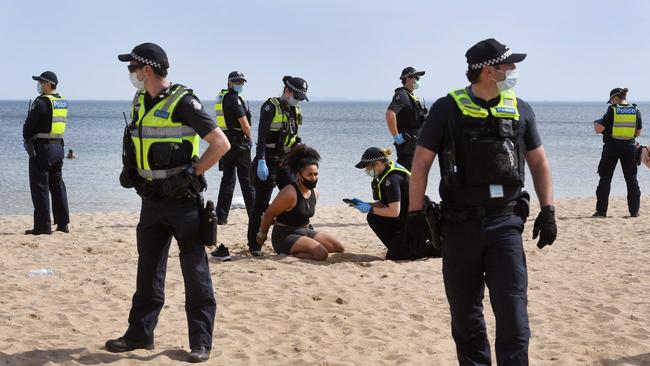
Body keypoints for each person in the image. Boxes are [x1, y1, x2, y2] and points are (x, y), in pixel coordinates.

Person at [408, 38, 556, 365]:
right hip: (459, 227)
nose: (514, 70)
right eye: (508, 65)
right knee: (466, 316)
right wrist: (415, 214)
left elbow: (539, 162)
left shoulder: (521, 109)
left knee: (513, 314)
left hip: (505, 224)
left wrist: (548, 210)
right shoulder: (447, 109)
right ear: (489, 71)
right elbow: (421, 162)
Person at [107, 42, 230, 363]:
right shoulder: (139, 102)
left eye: (132, 67)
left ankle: (200, 343)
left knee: (195, 273)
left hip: (183, 203)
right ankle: (139, 335)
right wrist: (131, 170)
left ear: (146, 69)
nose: (130, 73)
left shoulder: (184, 101)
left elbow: (221, 143)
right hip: (151, 201)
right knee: (147, 270)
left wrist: (193, 172)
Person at [246, 75, 309, 256]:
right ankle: (254, 243)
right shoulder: (270, 107)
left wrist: (300, 159)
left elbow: (293, 138)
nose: (298, 100)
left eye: (300, 98)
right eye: (296, 96)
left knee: (297, 194)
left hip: (285, 161)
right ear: (287, 91)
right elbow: (262, 136)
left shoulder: (295, 111)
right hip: (267, 161)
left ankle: (295, 231)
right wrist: (261, 161)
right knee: (260, 203)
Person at [256, 145, 344, 260]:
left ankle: (305, 247)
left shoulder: (315, 193)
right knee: (321, 254)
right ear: (299, 175)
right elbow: (269, 214)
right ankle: (289, 254)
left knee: (339, 248)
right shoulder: (289, 192)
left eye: (316, 174)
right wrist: (262, 235)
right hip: (285, 235)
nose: (313, 178)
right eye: (310, 175)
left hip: (305, 231)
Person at [22, 71, 70, 235]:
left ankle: (43, 226)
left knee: (40, 186)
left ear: (49, 84)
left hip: (42, 149)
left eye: (41, 82)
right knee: (57, 185)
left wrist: (27, 136)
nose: (39, 85)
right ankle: (63, 224)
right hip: (58, 147)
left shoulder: (41, 102)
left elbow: (28, 128)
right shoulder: (62, 102)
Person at [593, 88, 642, 217]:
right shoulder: (635, 110)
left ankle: (601, 211)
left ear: (614, 98)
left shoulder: (612, 110)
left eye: (611, 101)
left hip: (612, 147)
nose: (611, 103)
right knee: (631, 180)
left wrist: (596, 122)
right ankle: (634, 211)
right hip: (629, 147)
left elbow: (599, 129)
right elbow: (638, 133)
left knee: (605, 179)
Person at [351, 147, 410, 254]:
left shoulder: (391, 179)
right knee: (374, 216)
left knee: (374, 218)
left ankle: (399, 250)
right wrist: (365, 204)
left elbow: (394, 212)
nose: (366, 171)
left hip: (413, 221)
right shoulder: (387, 171)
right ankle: (397, 246)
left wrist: (370, 209)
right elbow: (385, 203)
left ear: (377, 164)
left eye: (367, 168)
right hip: (407, 216)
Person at [214, 71, 255, 225]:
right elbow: (244, 123)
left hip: (225, 142)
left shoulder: (222, 97)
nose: (240, 84)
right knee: (247, 181)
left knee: (227, 181)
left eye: (242, 82)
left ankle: (221, 216)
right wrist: (250, 138)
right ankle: (254, 215)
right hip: (239, 144)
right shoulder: (233, 98)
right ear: (229, 82)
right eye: (237, 82)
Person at [385, 66, 428, 170]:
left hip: (416, 147)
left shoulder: (411, 96)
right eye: (416, 77)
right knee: (407, 177)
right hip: (407, 147)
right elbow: (390, 114)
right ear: (408, 78)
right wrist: (396, 137)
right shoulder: (402, 95)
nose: (418, 80)